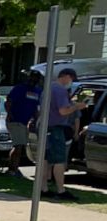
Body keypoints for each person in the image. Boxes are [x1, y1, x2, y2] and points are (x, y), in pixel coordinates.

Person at [41, 67, 89, 200]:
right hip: (56, 128)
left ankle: (43, 188)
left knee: (45, 160)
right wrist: (77, 107)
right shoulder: (60, 90)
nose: (71, 82)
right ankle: (61, 190)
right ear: (66, 76)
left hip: (45, 127)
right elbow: (63, 111)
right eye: (72, 79)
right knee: (59, 160)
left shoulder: (48, 88)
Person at [6, 71, 43, 176]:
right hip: (15, 121)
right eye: (32, 78)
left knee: (19, 146)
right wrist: (10, 115)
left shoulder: (38, 91)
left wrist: (36, 120)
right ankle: (13, 170)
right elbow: (8, 102)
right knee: (18, 146)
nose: (33, 80)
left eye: (36, 78)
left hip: (25, 122)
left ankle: (13, 168)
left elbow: (36, 108)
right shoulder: (19, 88)